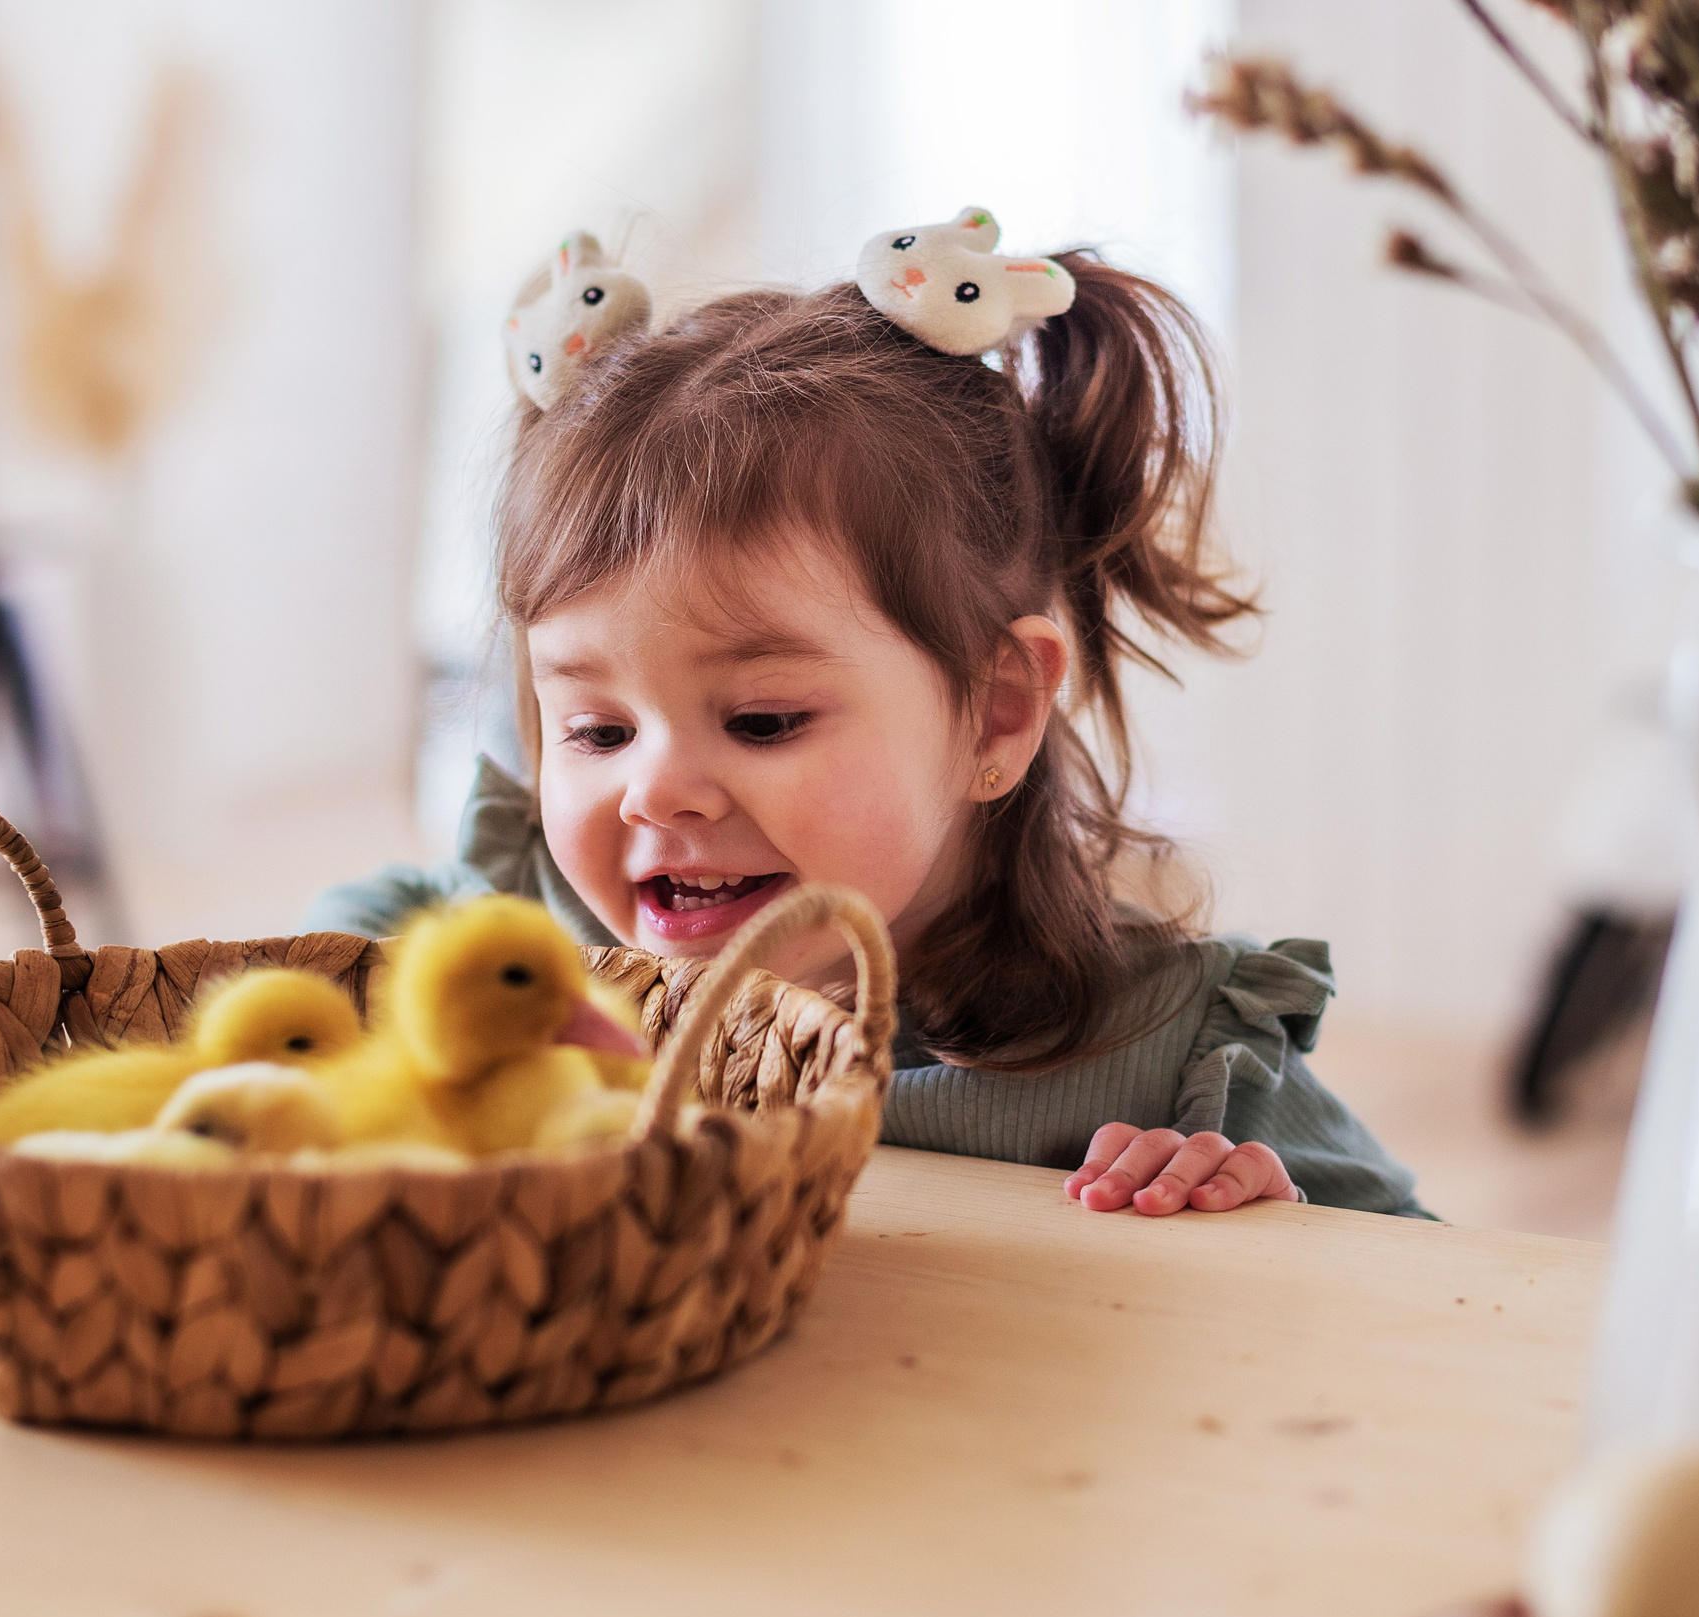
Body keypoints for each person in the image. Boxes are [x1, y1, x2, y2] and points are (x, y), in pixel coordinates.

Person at [308, 220, 1429, 1219]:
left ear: (993, 714)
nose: (652, 790)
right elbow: (357, 948)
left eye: (760, 719)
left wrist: (1263, 1208)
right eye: (598, 731)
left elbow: (1445, 1309)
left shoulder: (1170, 1058)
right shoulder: (531, 953)